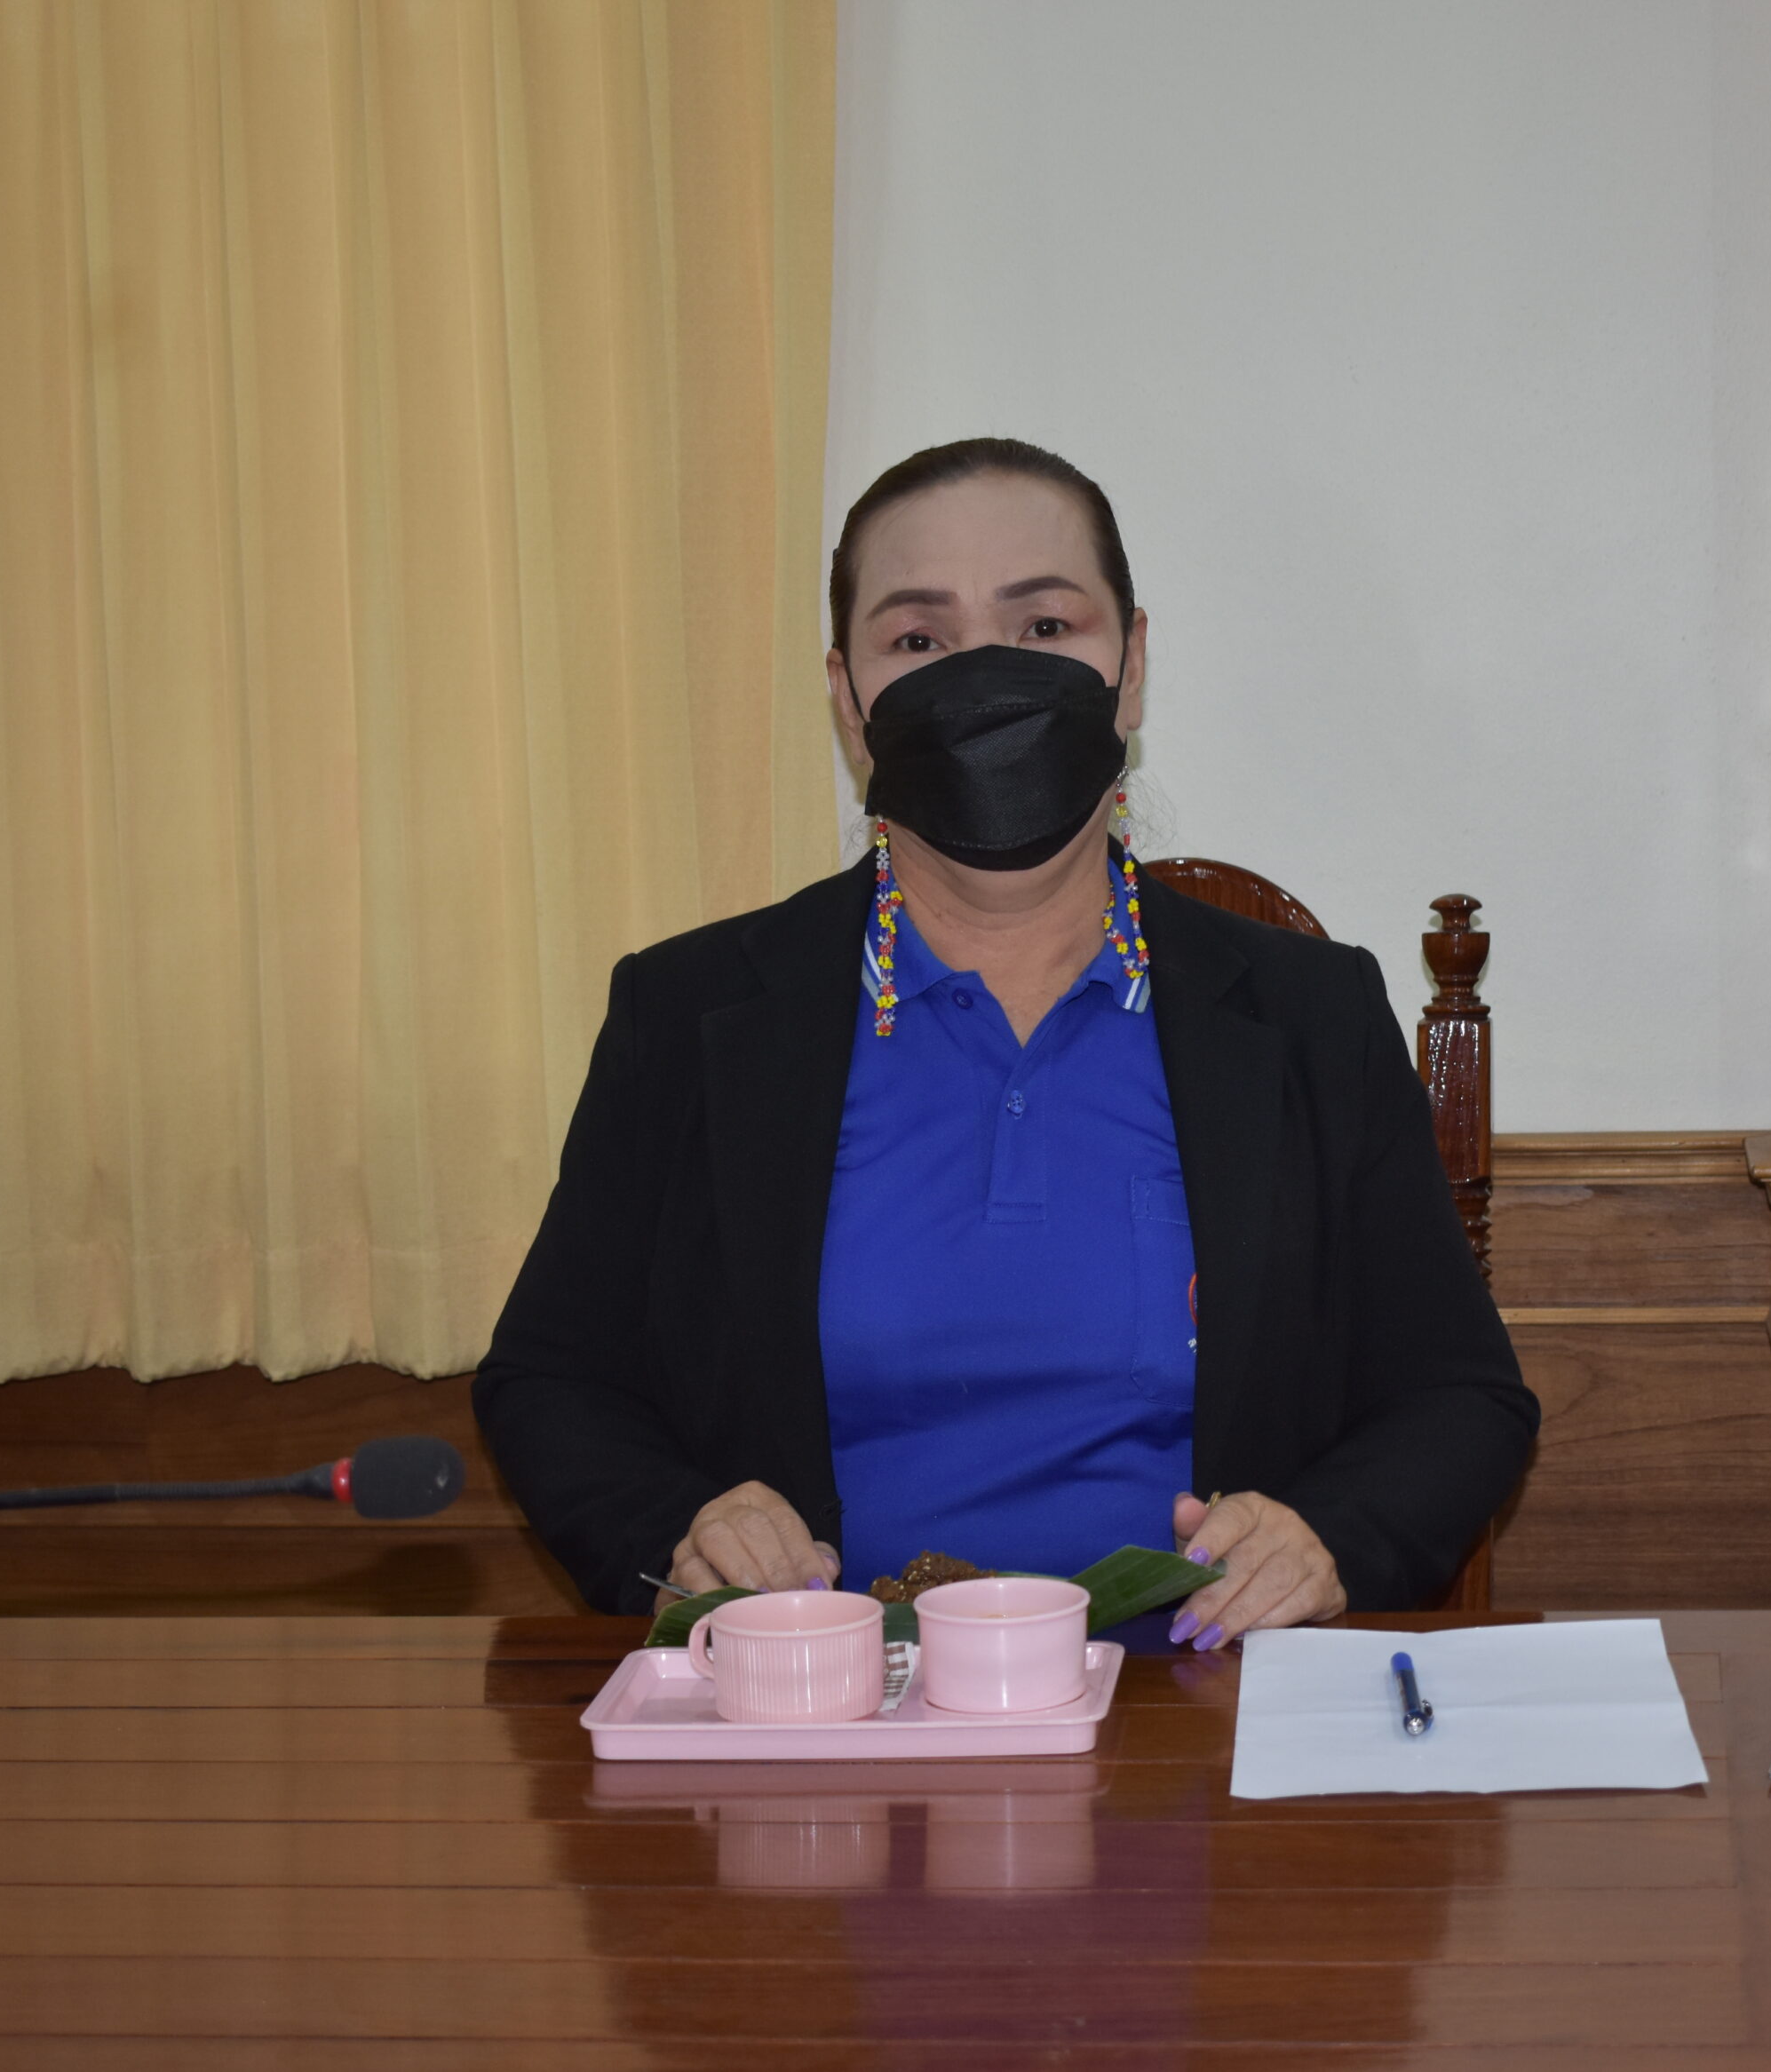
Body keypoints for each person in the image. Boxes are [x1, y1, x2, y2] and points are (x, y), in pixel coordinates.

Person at [474, 437, 1535, 1647]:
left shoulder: (1311, 1017)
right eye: (919, 640)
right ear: (848, 698)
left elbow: (1461, 1396)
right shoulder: (689, 1015)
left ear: (1131, 667)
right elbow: (552, 1380)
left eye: (1043, 627)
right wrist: (684, 1528)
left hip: (1197, 1706)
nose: (984, 679)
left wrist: (1326, 1536)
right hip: (819, 1716)